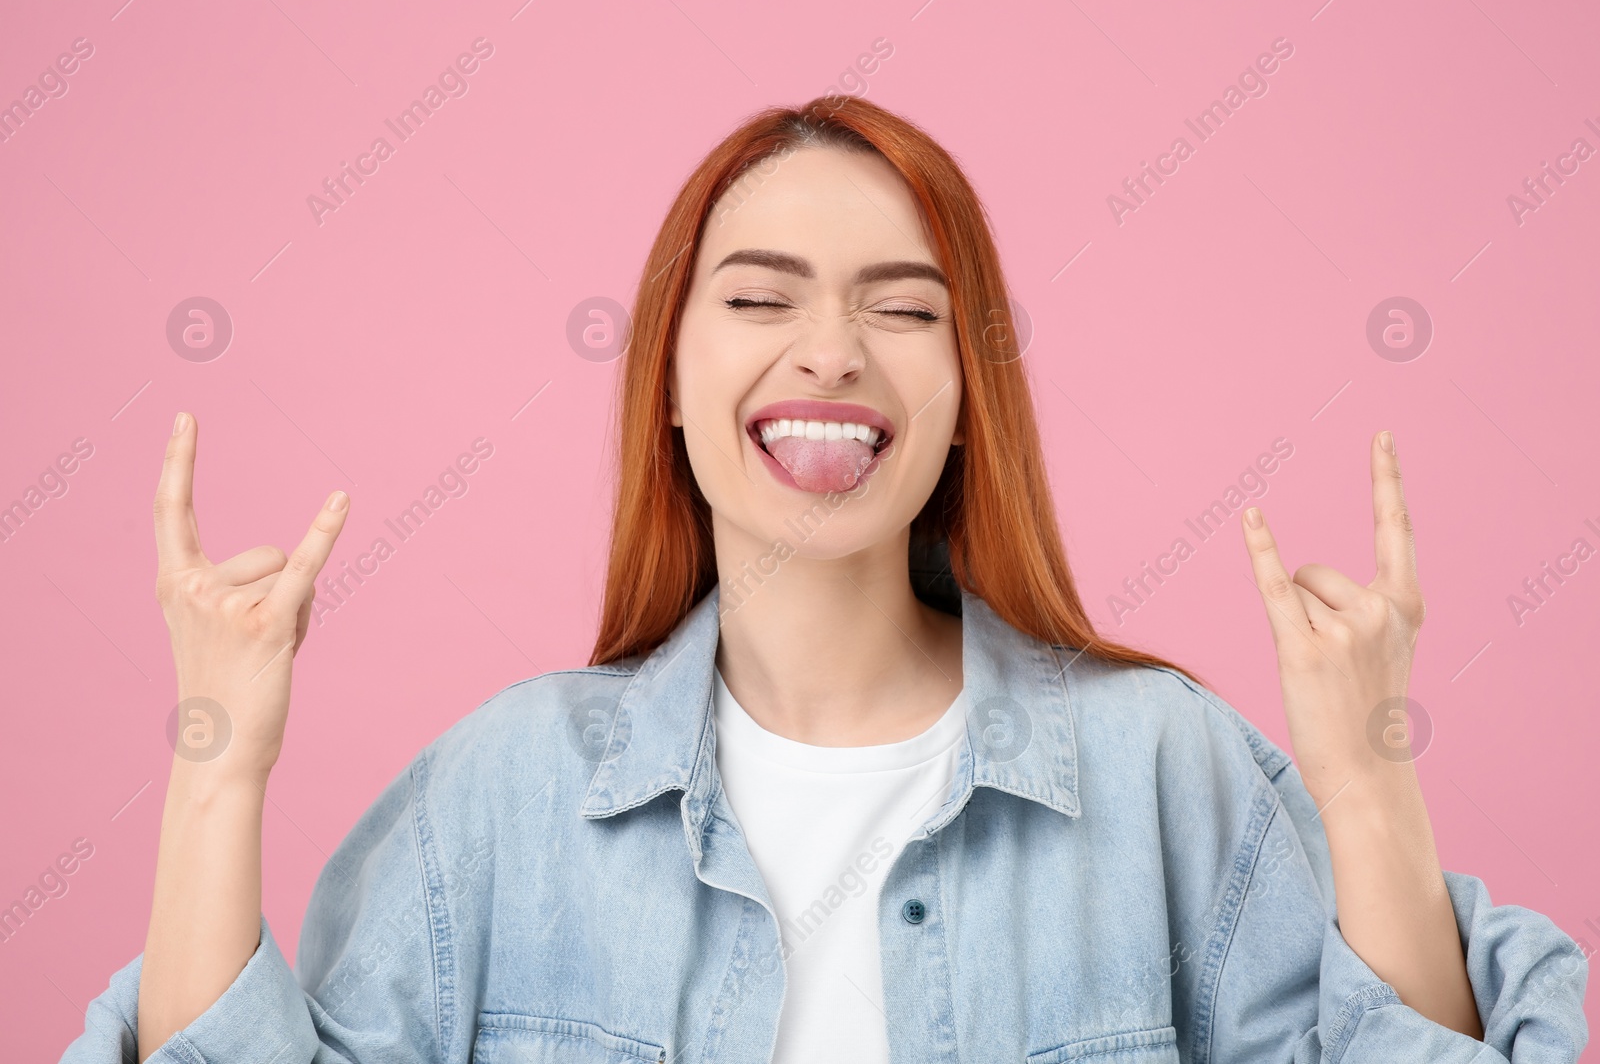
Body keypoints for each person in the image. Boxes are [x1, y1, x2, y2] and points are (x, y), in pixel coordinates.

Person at [62, 95, 1587, 1064]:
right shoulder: (507, 790)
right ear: (667, 376)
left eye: (902, 308)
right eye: (758, 298)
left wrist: (1369, 780)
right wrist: (219, 760)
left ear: (966, 387)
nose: (832, 350)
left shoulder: (1163, 768)